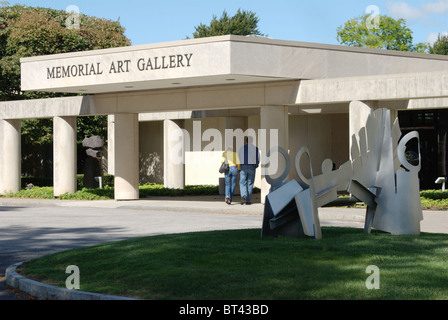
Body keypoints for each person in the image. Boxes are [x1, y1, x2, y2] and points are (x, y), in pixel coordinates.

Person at [238, 136, 260, 205]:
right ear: (252, 141)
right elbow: (258, 158)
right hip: (252, 167)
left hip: (243, 166)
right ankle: (248, 201)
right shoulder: (256, 149)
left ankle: (243, 195)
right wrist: (256, 165)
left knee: (242, 182)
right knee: (250, 183)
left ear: (246, 141)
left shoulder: (242, 148)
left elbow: (239, 157)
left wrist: (239, 167)